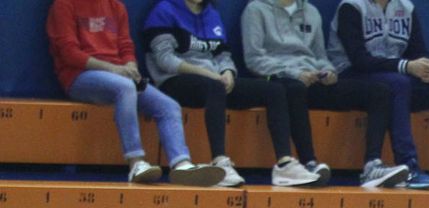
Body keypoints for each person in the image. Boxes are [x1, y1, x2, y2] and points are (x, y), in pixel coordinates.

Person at [141, 0, 320, 187]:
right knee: (215, 88)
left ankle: (285, 165)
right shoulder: (164, 10)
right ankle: (220, 162)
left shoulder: (211, 14)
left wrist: (228, 72)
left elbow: (223, 55)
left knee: (274, 90)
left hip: (214, 80)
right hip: (174, 80)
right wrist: (209, 74)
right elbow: (165, 60)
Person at [45, 0, 223, 186]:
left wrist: (130, 65)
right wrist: (113, 69)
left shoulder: (116, 6)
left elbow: (126, 46)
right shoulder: (64, 5)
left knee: (168, 106)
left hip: (119, 75)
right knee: (125, 87)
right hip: (79, 76)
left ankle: (181, 164)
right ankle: (136, 162)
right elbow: (69, 53)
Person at [325, 0, 429, 191]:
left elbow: (418, 50)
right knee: (399, 83)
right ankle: (409, 165)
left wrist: (427, 67)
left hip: (394, 76)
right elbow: (359, 60)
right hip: (352, 77)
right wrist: (406, 66)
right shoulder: (352, 7)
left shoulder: (405, 7)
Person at [240, 0, 410, 189]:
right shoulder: (256, 9)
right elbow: (254, 59)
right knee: (295, 88)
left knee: (379, 91)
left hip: (314, 78)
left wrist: (329, 72)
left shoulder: (311, 11)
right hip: (282, 78)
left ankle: (372, 166)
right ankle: (309, 163)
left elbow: (320, 56)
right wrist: (294, 73)